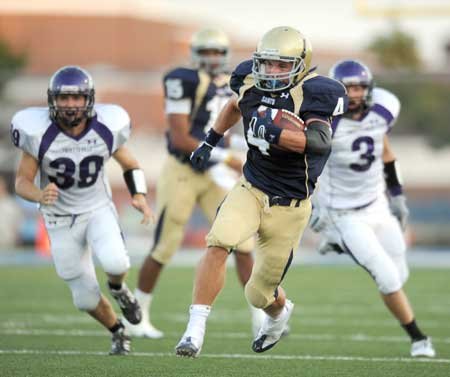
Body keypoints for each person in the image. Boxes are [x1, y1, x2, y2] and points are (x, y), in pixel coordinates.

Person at [174, 26, 348, 358]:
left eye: (282, 65)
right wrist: (209, 141)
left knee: (259, 294)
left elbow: (318, 143)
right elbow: (235, 106)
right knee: (219, 241)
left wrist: (274, 133)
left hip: (291, 205)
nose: (272, 71)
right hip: (252, 186)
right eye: (267, 63)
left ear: (300, 64)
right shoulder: (249, 81)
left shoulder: (316, 93)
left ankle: (280, 314)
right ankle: (193, 332)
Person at [126, 28, 263, 339]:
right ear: (196, 54)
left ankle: (260, 318)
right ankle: (138, 315)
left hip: (213, 171)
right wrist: (229, 158)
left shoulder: (233, 81)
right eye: (208, 52)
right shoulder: (182, 79)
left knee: (242, 244)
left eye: (218, 52)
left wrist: (236, 153)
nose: (213, 58)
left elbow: (226, 127)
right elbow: (180, 137)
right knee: (164, 246)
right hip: (183, 170)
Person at [11, 65, 153, 355]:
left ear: (89, 99)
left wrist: (138, 195)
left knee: (116, 263)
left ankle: (119, 290)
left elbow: (130, 164)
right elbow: (21, 182)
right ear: (52, 100)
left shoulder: (105, 127)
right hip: (59, 218)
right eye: (64, 98)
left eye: (76, 98)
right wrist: (39, 193)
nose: (70, 105)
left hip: (96, 208)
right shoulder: (38, 133)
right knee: (85, 300)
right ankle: (118, 330)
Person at [309, 59, 436, 358]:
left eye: (359, 87)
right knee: (387, 278)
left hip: (377, 205)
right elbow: (306, 166)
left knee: (399, 274)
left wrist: (398, 196)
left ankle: (338, 246)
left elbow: (386, 152)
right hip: (343, 214)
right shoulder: (326, 123)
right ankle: (419, 339)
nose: (354, 93)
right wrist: (312, 206)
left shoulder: (383, 109)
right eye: (348, 88)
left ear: (369, 89)